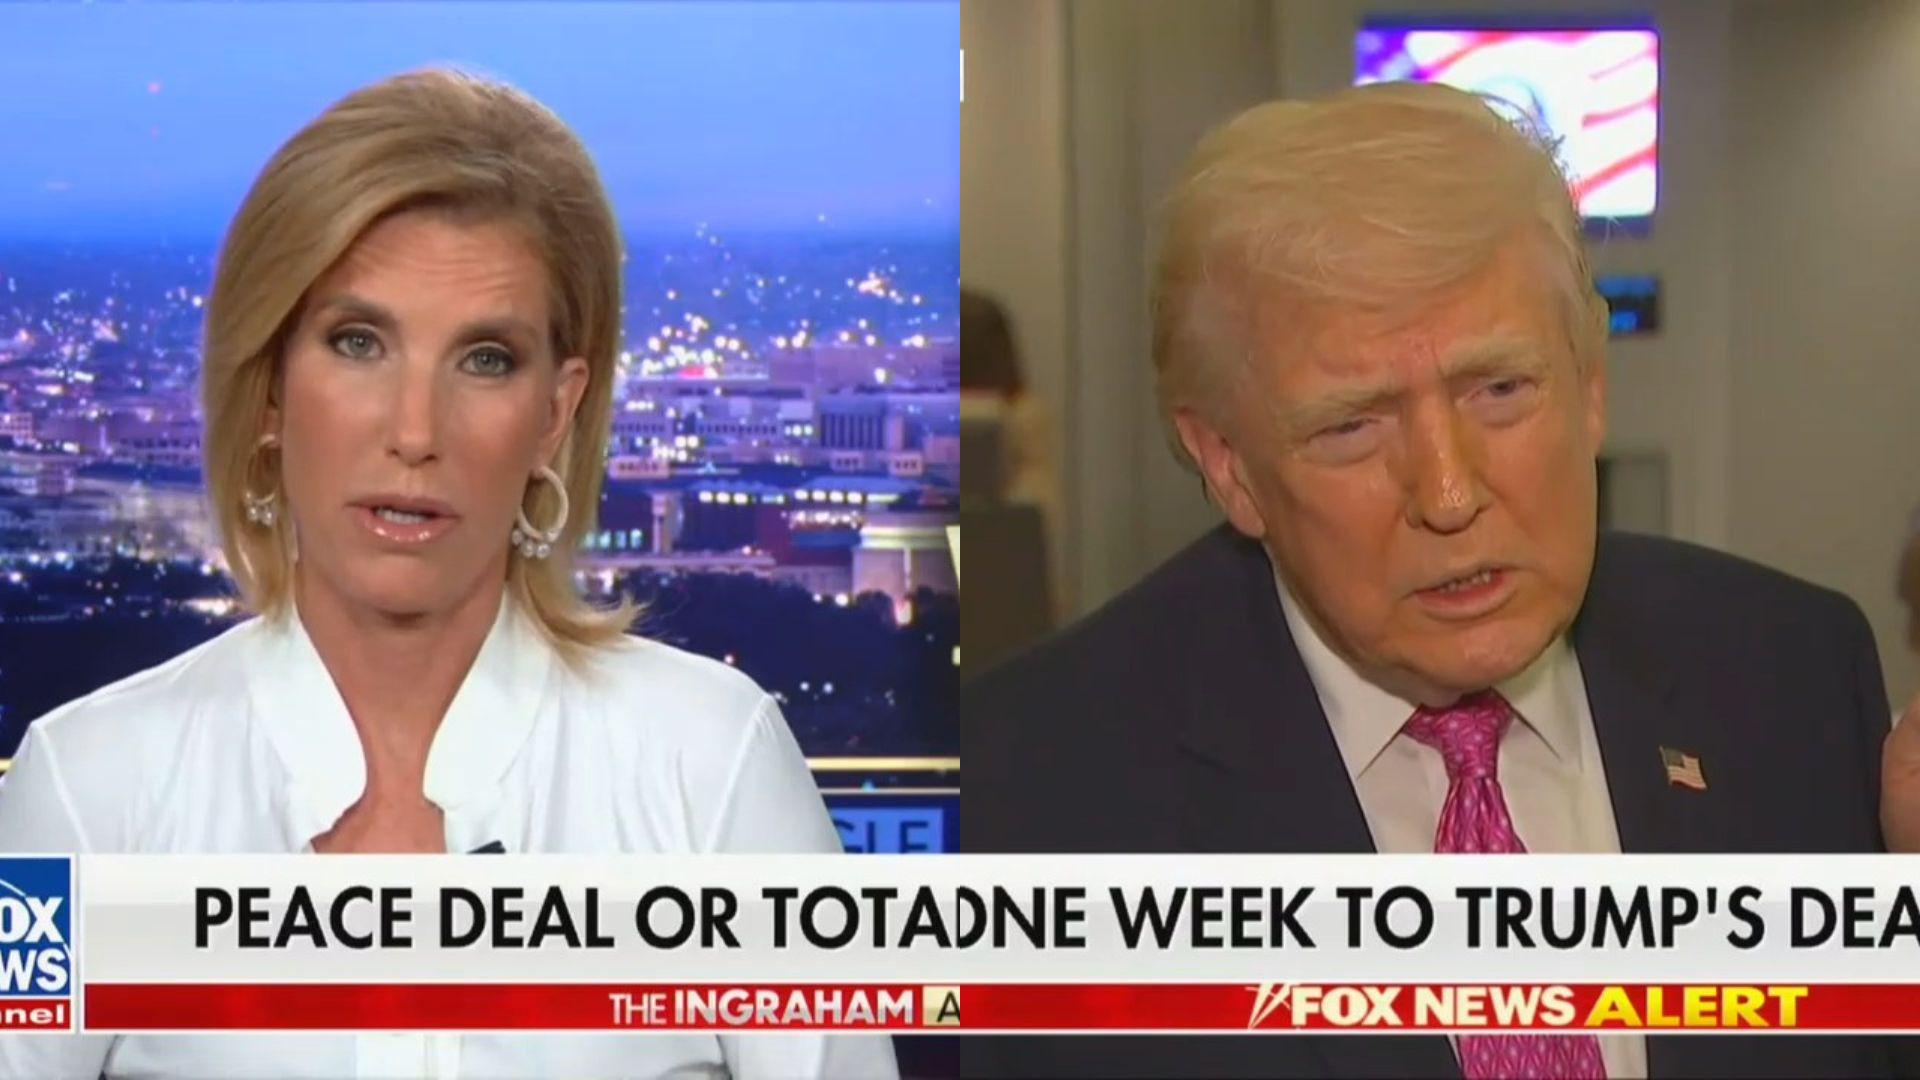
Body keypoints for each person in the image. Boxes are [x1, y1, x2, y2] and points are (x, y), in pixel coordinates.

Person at [964, 81, 1915, 1078]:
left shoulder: (1793, 677)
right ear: (1229, 465)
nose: (1451, 494)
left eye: (1500, 389)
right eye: (1351, 426)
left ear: (1590, 385)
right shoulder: (1018, 808)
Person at [0, 69, 896, 1080]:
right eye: (358, 343)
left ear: (555, 412)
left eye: (485, 359)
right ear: (270, 388)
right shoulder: (85, 790)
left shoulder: (712, 765)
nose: (415, 430)